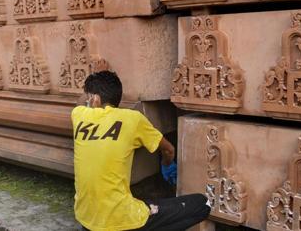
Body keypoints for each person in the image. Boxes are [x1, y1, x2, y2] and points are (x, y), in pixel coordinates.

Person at [72, 70, 211, 231]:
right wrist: (167, 165)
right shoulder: (132, 118)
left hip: (86, 219)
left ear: (94, 99)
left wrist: (93, 82)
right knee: (203, 204)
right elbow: (168, 150)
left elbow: (80, 101)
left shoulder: (78, 115)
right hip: (121, 220)